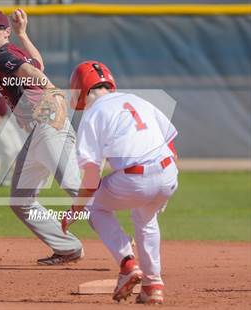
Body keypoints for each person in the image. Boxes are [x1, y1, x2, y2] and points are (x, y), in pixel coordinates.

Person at [62, 61, 179, 304]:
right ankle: (152, 285)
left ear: (79, 90)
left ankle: (127, 264)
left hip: (135, 178)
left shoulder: (93, 115)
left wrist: (75, 210)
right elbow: (171, 147)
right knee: (146, 218)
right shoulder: (138, 100)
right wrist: (160, 189)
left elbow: (92, 178)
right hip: (169, 174)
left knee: (95, 205)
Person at [0, 9, 83, 265]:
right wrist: (23, 34)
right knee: (21, 201)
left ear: (5, 32)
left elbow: (32, 72)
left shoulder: (3, 56)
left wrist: (51, 88)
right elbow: (38, 63)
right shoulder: (14, 51)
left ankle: (123, 240)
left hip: (47, 123)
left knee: (74, 186)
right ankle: (68, 248)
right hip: (39, 131)